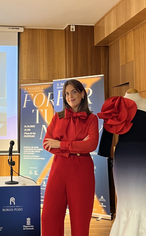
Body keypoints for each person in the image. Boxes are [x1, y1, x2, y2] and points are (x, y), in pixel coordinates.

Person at [98, 88, 146, 236]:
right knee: (125, 199)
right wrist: (104, 151)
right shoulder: (115, 104)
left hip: (143, 157)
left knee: (144, 199)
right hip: (123, 157)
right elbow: (107, 131)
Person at [42, 79, 99, 236]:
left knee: (80, 221)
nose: (69, 96)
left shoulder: (92, 119)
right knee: (48, 217)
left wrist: (60, 144)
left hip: (81, 173)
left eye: (73, 91)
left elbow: (91, 145)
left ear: (82, 93)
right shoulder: (58, 117)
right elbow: (46, 144)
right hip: (58, 170)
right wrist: (77, 146)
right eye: (66, 93)